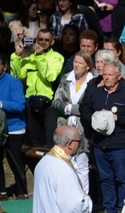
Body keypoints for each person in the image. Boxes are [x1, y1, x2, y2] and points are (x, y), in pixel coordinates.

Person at [82, 61, 125, 213]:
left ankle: (123, 210)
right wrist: (95, 118)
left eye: (110, 75)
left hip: (119, 145)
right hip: (99, 144)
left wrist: (115, 118)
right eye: (104, 74)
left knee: (122, 178)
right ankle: (109, 209)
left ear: (119, 77)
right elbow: (85, 110)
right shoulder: (96, 93)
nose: (106, 77)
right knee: (105, 178)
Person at [10, 29, 64, 148]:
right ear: (35, 40)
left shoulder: (57, 57)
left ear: (52, 42)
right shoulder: (30, 58)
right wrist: (16, 56)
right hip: (32, 101)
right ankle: (36, 166)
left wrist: (40, 57)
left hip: (49, 103)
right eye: (40, 39)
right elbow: (16, 77)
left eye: (47, 40)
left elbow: (50, 77)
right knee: (35, 143)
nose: (43, 42)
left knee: (50, 142)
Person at [49, 51, 95, 190]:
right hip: (65, 127)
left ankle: (83, 200)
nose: (76, 65)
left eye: (80, 63)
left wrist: (71, 107)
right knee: (65, 164)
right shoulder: (65, 79)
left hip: (83, 130)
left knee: (81, 165)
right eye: (75, 61)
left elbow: (90, 107)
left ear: (87, 66)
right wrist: (68, 108)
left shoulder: (93, 82)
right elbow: (56, 102)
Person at [0, 54, 28, 200]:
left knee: (15, 160)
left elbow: (20, 105)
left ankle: (22, 191)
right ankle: (2, 191)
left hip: (14, 127)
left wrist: (2, 104)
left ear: (4, 66)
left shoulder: (14, 82)